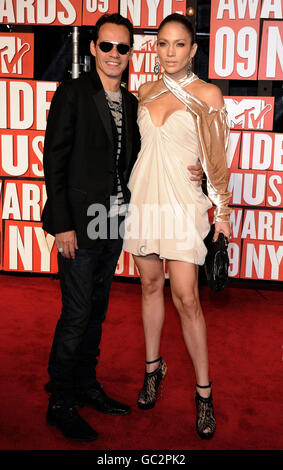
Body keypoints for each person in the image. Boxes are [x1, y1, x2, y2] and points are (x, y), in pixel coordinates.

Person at [42, 12, 204, 442]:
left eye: (124, 47)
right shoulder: (73, 93)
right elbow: (54, 160)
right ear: (94, 48)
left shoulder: (134, 103)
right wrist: (61, 225)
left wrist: (198, 169)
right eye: (107, 46)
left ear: (132, 54)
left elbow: (157, 151)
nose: (115, 54)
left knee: (97, 311)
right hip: (77, 225)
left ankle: (85, 385)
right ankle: (60, 400)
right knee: (76, 313)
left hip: (115, 222)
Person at [123, 13, 232, 440]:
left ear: (193, 49)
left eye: (179, 44)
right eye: (163, 44)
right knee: (150, 287)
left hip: (183, 205)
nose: (170, 52)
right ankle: (153, 369)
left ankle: (203, 393)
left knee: (187, 297)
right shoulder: (143, 91)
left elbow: (217, 161)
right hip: (145, 199)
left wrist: (221, 212)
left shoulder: (208, 95)